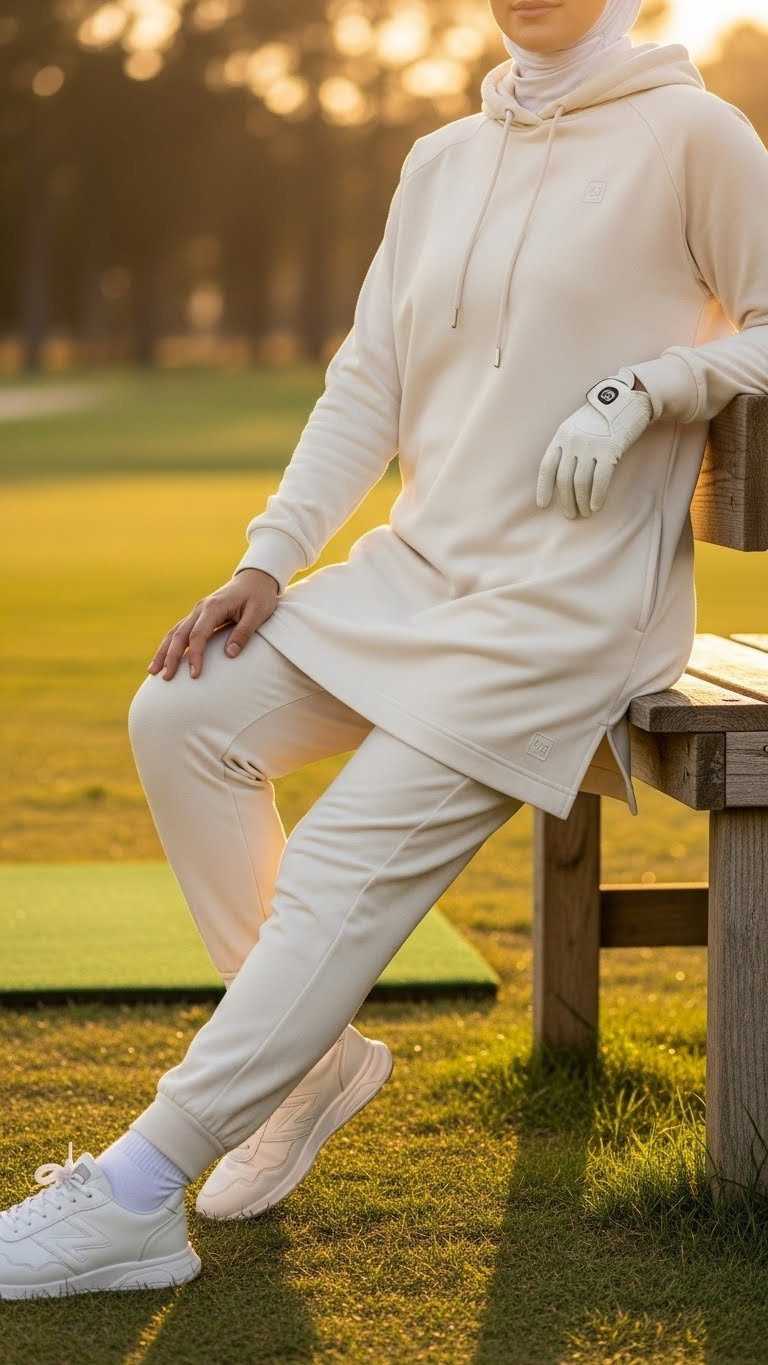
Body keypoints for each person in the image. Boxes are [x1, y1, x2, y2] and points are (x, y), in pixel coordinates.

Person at [2, 0, 768, 1299]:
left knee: (346, 861)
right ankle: (311, 1059)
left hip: (570, 609)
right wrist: (266, 559)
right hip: (417, 580)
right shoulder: (441, 161)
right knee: (183, 715)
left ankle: (137, 1189)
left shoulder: (699, 137)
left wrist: (644, 387)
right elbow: (367, 380)